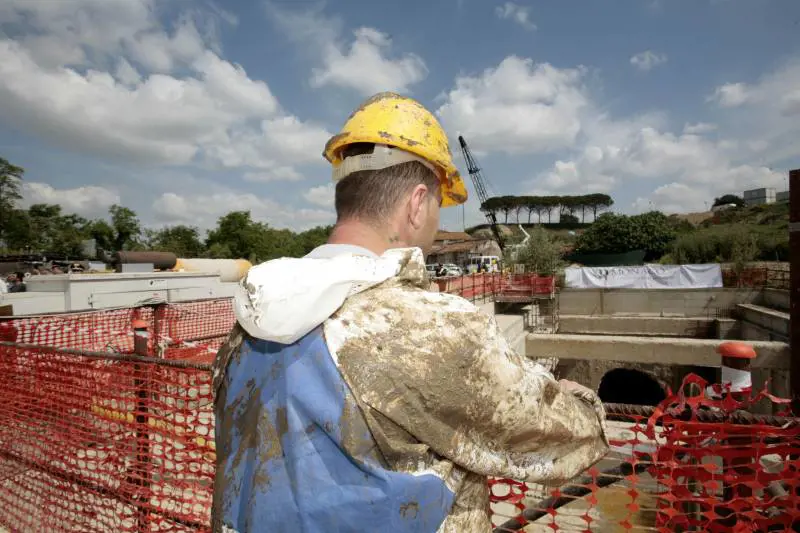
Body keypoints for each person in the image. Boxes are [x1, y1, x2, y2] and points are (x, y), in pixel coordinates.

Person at [211, 92, 608, 533]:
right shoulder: (423, 328)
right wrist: (582, 400)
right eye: (439, 204)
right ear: (417, 204)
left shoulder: (247, 325)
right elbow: (555, 437)